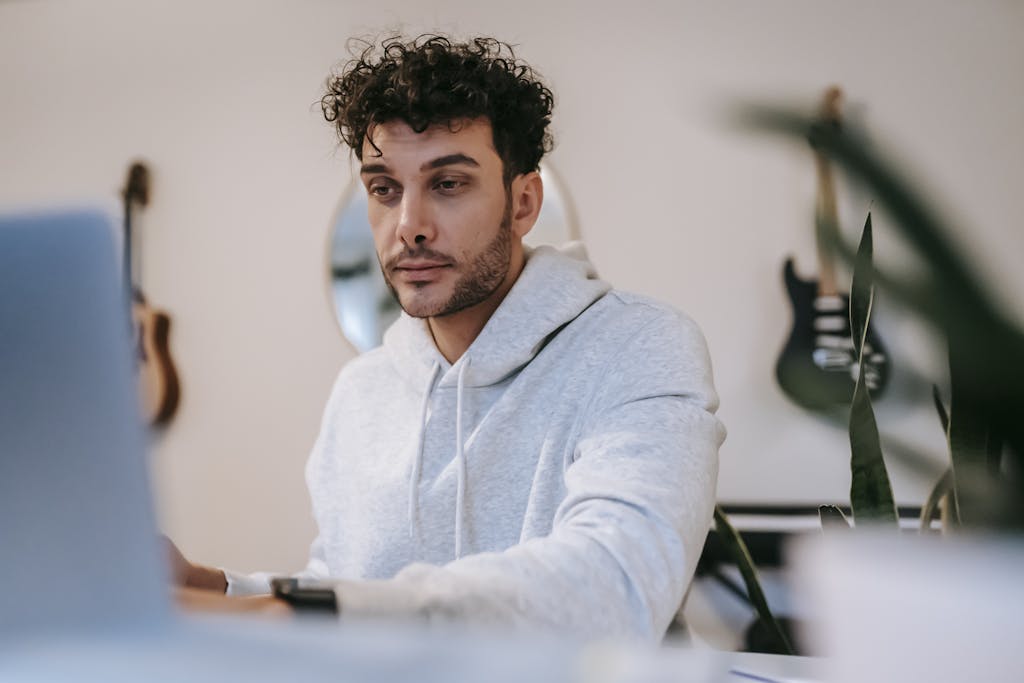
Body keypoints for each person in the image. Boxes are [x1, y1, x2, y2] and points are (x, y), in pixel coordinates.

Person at [171, 34, 725, 642]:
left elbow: (615, 590)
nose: (408, 226)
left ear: (523, 203)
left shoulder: (639, 347)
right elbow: (349, 585)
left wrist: (283, 615)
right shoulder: (362, 391)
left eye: (448, 184)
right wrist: (213, 586)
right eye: (384, 189)